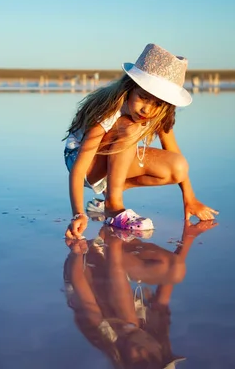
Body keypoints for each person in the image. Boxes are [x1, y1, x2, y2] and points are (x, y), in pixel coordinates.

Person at [64, 43, 218, 239]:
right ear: (129, 88)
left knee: (178, 167)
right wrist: (78, 214)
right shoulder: (109, 109)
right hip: (82, 162)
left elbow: (173, 151)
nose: (148, 110)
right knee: (131, 127)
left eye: (158, 103)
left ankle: (105, 198)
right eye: (143, 98)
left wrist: (189, 197)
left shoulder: (159, 113)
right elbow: (79, 169)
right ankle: (113, 206)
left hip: (112, 159)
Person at [62, 220, 217, 368]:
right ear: (160, 349)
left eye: (139, 364)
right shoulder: (158, 329)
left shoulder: (104, 336)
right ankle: (112, 233)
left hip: (83, 264)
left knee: (130, 323)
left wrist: (76, 250)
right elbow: (168, 283)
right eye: (153, 357)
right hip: (109, 259)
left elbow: (80, 286)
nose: (143, 352)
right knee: (174, 270)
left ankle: (113, 240)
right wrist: (190, 235)